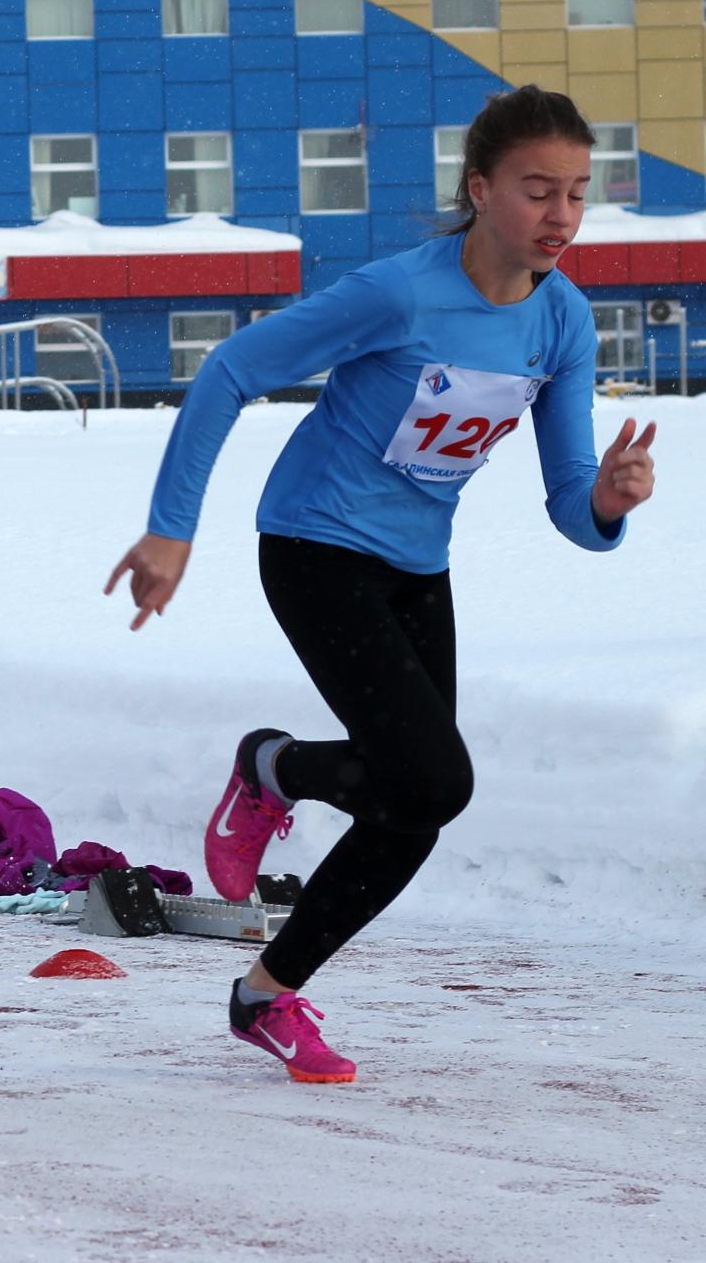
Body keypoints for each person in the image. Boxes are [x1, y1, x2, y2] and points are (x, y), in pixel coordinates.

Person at [106, 85, 658, 1084]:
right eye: (538, 190)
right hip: (313, 544)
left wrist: (609, 502)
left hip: (413, 565)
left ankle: (265, 982)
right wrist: (168, 531)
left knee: (417, 803)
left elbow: (567, 505)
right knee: (434, 779)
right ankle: (270, 778)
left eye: (577, 194)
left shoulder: (560, 320)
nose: (560, 216)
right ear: (479, 189)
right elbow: (229, 370)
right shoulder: (398, 294)